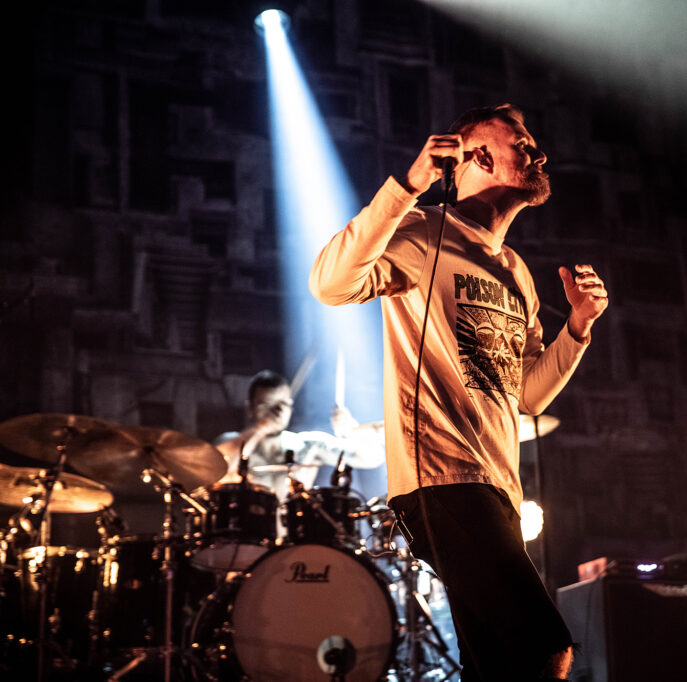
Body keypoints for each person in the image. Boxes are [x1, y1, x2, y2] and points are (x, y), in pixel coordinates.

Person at [309, 104, 608, 681]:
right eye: (522, 142)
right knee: (543, 644)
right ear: (477, 156)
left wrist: (578, 328)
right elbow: (330, 283)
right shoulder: (420, 233)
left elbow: (528, 397)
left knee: (491, 663)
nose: (538, 153)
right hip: (442, 482)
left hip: (496, 487)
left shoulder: (517, 271)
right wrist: (409, 185)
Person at [212, 369, 382, 502]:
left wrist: (352, 430)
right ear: (249, 408)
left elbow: (372, 459)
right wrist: (261, 428)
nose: (276, 412)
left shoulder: (306, 445)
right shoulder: (230, 442)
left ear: (291, 408)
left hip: (295, 542)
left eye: (282, 404)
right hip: (244, 541)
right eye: (267, 405)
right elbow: (212, 468)